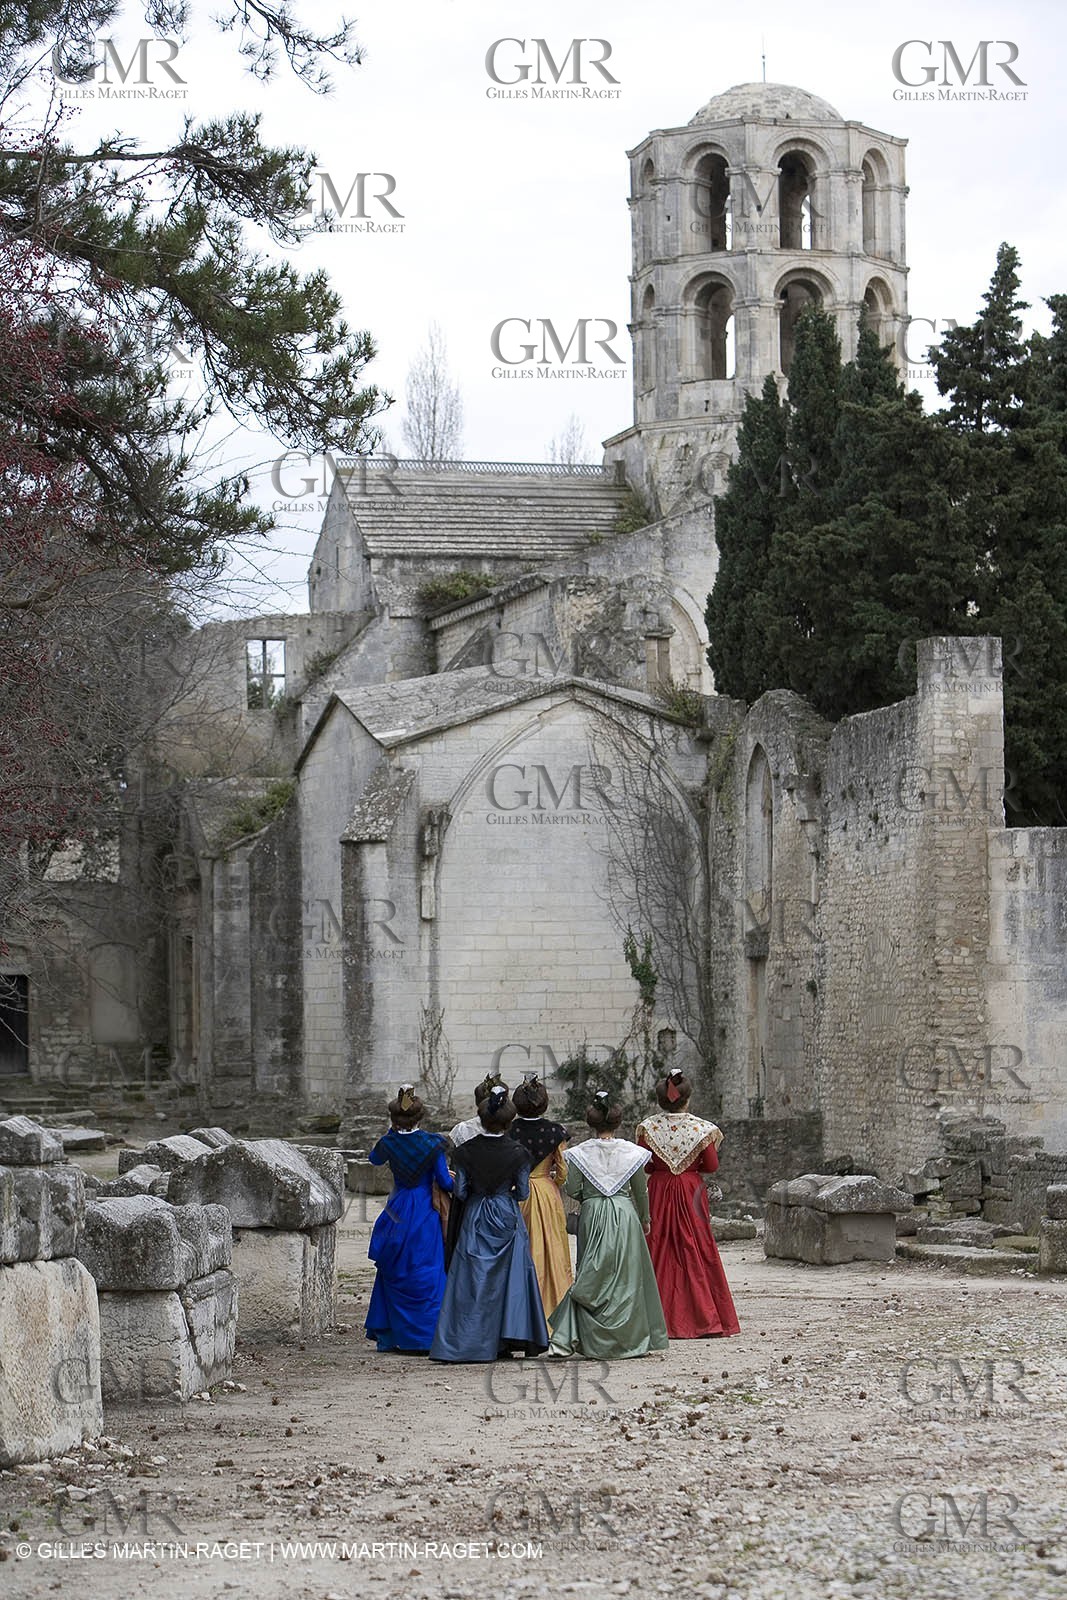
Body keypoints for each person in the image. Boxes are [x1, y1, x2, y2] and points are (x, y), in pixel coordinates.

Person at [430, 1085, 549, 1362]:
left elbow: (459, 1191)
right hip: (506, 1214)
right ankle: (507, 1339)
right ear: (509, 1122)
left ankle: (469, 1342)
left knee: (474, 1279)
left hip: (475, 1215)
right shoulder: (519, 1153)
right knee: (511, 1279)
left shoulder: (465, 1152)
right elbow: (522, 1192)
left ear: (481, 1118)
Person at [548, 1092, 668, 1360]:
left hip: (592, 1212)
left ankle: (584, 1337)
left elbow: (573, 1188)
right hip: (625, 1213)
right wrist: (645, 1218)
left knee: (592, 1271)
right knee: (626, 1275)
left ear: (591, 1122)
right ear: (617, 1121)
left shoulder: (579, 1154)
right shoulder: (633, 1153)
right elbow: (641, 1190)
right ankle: (629, 1337)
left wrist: (589, 1195)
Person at [636, 1068, 740, 1339]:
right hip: (690, 1190)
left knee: (658, 1244)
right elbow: (712, 1166)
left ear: (661, 1100)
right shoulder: (701, 1129)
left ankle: (652, 1317)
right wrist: (689, 1168)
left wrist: (663, 1168)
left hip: (659, 1188)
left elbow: (644, 1164)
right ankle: (704, 1316)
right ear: (687, 1099)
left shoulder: (648, 1128)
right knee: (695, 1246)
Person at [364, 1085, 454, 1354]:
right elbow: (445, 1182)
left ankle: (393, 1335)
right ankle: (427, 1337)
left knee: (395, 1269)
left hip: (398, 1207)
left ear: (393, 1119)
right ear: (420, 1117)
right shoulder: (432, 1143)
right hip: (425, 1209)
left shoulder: (388, 1143)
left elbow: (374, 1159)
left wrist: (392, 1132)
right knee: (428, 1269)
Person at [508, 1072, 573, 1316]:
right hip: (546, 1191)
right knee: (552, 1249)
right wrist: (553, 1182)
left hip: (518, 1193)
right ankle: (554, 1307)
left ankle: (523, 1312)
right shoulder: (555, 1131)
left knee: (524, 1248)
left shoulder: (510, 1131)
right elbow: (563, 1170)